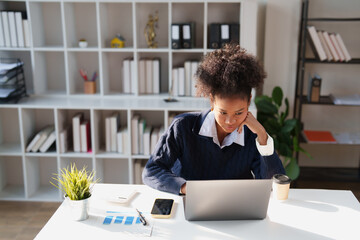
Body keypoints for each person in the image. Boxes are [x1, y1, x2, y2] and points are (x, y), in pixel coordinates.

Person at [142, 44, 285, 195]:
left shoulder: (252, 136)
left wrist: (262, 136)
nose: (230, 121)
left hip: (235, 209)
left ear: (249, 101)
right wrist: (186, 188)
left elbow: (272, 185)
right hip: (190, 204)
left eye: (239, 112)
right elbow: (152, 170)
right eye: (223, 112)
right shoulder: (183, 127)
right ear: (212, 101)